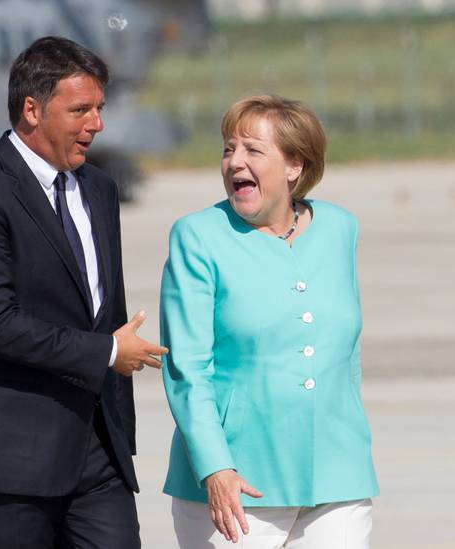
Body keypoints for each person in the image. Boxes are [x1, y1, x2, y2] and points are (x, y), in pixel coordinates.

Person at [0, 36, 167, 549]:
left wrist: (119, 434)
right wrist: (107, 352)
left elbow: (107, 309)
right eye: (81, 109)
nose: (97, 124)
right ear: (32, 110)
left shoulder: (99, 189)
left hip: (98, 455)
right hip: (10, 461)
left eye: (100, 108)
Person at [160, 94, 379, 548]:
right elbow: (187, 368)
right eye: (227, 149)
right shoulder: (197, 237)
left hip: (338, 476)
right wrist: (215, 467)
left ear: (295, 166)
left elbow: (345, 350)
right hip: (236, 488)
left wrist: (354, 443)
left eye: (252, 150)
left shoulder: (340, 228)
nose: (234, 162)